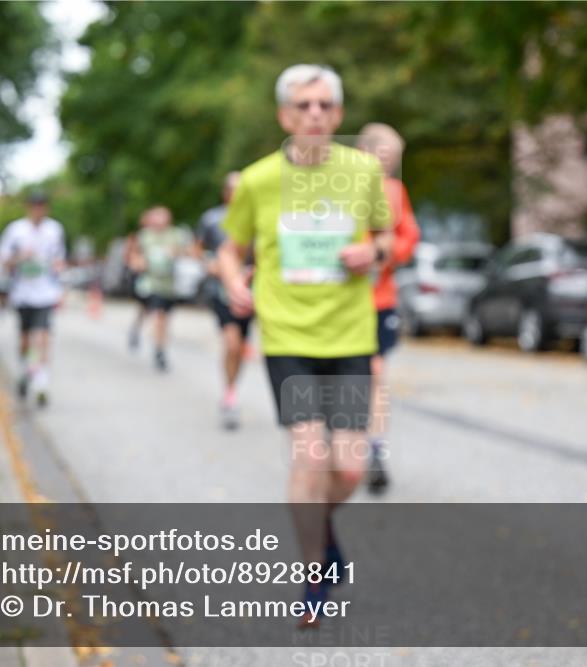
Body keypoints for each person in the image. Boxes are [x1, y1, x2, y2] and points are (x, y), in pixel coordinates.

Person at [218, 64, 393, 628]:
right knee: (310, 454)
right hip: (288, 338)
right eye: (303, 105)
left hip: (350, 337)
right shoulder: (258, 180)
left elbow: (387, 236)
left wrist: (374, 253)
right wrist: (233, 281)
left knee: (349, 468)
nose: (314, 114)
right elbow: (230, 249)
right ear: (284, 116)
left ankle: (320, 528)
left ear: (338, 114)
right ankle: (314, 575)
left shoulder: (363, 172)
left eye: (324, 105)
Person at [356, 123, 420, 493]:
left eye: (394, 161)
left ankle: (375, 449)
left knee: (376, 372)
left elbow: (409, 236)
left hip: (379, 300)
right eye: (384, 158)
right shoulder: (337, 187)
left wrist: (385, 254)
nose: (388, 167)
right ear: (362, 151)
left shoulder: (395, 192)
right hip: (339, 303)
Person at [0, 191, 66, 406]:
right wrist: (19, 257)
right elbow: (2, 259)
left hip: (45, 293)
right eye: (35, 206)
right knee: (26, 342)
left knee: (42, 337)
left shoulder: (54, 229)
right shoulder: (16, 230)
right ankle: (26, 372)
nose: (38, 210)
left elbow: (60, 259)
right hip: (22, 293)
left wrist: (58, 272)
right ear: (28, 207)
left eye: (42, 206)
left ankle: (41, 383)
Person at [195, 172, 254, 429]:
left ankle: (232, 387)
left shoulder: (258, 216)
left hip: (252, 289)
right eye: (235, 190)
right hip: (221, 291)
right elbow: (197, 249)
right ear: (226, 193)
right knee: (231, 342)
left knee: (240, 347)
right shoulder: (212, 219)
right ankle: (230, 394)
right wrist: (210, 264)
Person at [124, 205, 190, 372]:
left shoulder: (175, 235)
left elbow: (188, 251)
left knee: (163, 317)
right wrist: (138, 263)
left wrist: (175, 253)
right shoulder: (144, 236)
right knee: (156, 314)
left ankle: (154, 342)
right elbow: (132, 256)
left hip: (169, 284)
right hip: (149, 283)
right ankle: (159, 350)